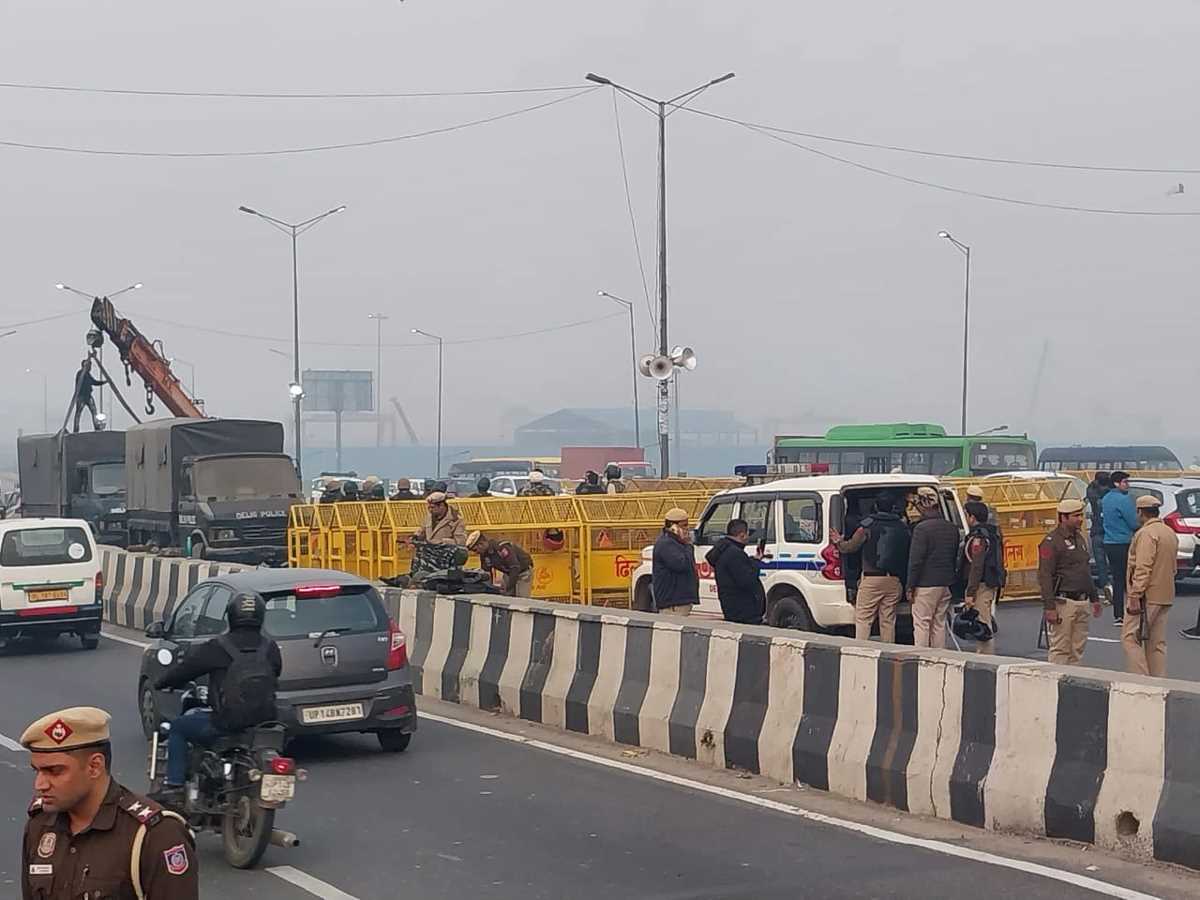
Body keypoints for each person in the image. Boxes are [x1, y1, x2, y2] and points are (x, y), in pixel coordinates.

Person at [20, 706, 198, 899]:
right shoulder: (40, 825)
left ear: (94, 766)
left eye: (54, 771)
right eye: (36, 771)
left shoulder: (155, 835)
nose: (40, 784)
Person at [153, 592, 282, 802]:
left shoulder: (218, 647)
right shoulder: (270, 647)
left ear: (230, 616)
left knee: (178, 727)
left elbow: (185, 670)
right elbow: (276, 672)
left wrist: (163, 682)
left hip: (225, 723)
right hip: (264, 723)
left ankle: (174, 786)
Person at [836, 494, 909, 643]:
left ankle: (861, 651)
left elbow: (850, 547)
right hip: (894, 581)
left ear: (875, 507)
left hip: (872, 579)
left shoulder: (867, 526)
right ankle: (887, 652)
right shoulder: (902, 526)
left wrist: (839, 542)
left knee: (863, 618)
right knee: (888, 621)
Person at [1038, 499, 1102, 666]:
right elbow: (1045, 575)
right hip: (1064, 602)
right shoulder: (1051, 542)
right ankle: (1054, 687)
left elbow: (1085, 571)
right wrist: (1049, 607)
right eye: (1076, 516)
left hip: (1082, 601)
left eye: (1081, 515)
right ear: (1063, 518)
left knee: (1077, 650)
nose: (1080, 519)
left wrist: (1095, 598)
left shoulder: (1080, 539)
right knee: (1060, 649)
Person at [1122, 494, 1179, 676]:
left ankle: (1141, 680)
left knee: (1130, 638)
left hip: (1147, 595)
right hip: (1166, 593)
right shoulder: (1168, 532)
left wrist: (1134, 595)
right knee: (1157, 643)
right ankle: (1158, 681)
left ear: (1140, 512)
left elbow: (1143, 567)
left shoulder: (1146, 534)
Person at [906, 486, 960, 648]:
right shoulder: (952, 528)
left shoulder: (921, 529)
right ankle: (939, 656)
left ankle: (922, 656)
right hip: (945, 583)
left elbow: (916, 561)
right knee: (939, 622)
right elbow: (954, 555)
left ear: (923, 505)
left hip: (925, 584)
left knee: (922, 622)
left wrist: (910, 586)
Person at [960, 500, 1005, 655]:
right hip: (990, 582)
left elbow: (976, 566)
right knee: (983, 620)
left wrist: (970, 592)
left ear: (972, 517)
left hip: (982, 584)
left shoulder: (978, 538)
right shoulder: (993, 533)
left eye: (966, 515)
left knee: (982, 623)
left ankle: (986, 657)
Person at [705, 518, 766, 624]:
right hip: (743, 610)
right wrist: (756, 564)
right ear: (742, 535)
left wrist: (752, 560)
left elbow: (738, 570)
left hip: (732, 607)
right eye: (747, 534)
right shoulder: (735, 553)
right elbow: (747, 580)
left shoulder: (724, 550)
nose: (748, 537)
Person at [1101, 471, 1138, 625]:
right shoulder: (1124, 500)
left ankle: (1118, 615)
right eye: (1125, 482)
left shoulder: (1106, 499)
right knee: (1131, 577)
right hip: (1124, 542)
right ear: (1116, 483)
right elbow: (1134, 523)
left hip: (1110, 542)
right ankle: (1133, 609)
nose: (1127, 485)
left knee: (1117, 578)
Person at [651, 507, 699, 616]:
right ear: (673, 526)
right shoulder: (666, 544)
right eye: (684, 525)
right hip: (673, 603)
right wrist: (688, 544)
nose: (687, 529)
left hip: (679, 601)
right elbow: (681, 564)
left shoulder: (676, 543)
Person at [466, 530, 534, 597]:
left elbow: (514, 567)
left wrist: (509, 587)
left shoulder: (501, 548)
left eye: (475, 550)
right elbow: (487, 573)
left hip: (523, 572)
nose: (476, 552)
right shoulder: (484, 554)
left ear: (481, 544)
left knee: (521, 600)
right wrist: (488, 590)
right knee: (504, 597)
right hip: (509, 573)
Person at [834, 497, 870, 603]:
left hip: (852, 553)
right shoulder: (866, 522)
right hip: (865, 557)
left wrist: (839, 542)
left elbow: (848, 547)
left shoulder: (850, 521)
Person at [1086, 472, 1113, 598]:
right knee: (1115, 561)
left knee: (1100, 562)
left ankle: (1105, 584)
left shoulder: (1092, 492)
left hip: (1096, 530)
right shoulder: (1112, 493)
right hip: (1111, 532)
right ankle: (1117, 585)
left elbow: (1090, 490)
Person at [71, 358, 107, 434]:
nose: (90, 368)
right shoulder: (80, 373)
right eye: (89, 366)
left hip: (88, 396)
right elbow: (79, 384)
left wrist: (103, 382)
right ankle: (76, 429)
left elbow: (94, 382)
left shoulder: (88, 375)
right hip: (81, 397)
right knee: (78, 413)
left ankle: (96, 427)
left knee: (94, 411)